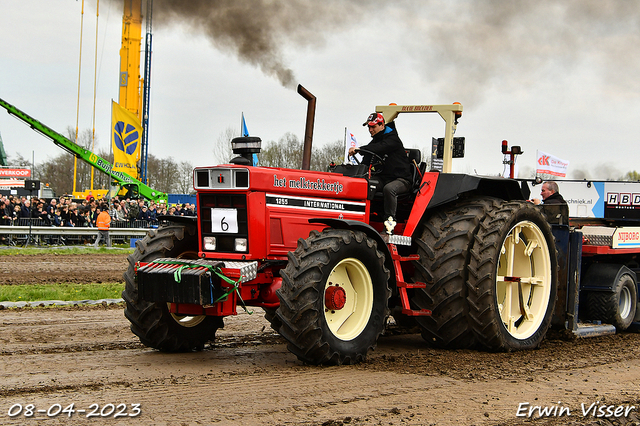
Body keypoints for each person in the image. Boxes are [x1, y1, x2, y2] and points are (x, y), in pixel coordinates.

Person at [348, 112, 413, 234]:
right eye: (369, 127)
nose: (370, 130)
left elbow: (380, 148)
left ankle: (389, 225)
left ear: (382, 125)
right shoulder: (375, 143)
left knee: (389, 189)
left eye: (373, 127)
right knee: (365, 184)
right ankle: (362, 220)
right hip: (384, 178)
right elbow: (366, 160)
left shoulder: (392, 139)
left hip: (402, 180)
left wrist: (360, 149)